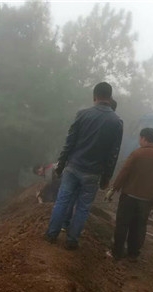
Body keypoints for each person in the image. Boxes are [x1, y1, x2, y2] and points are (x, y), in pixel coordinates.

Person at [44, 82, 123, 250]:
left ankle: (51, 234)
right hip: (93, 174)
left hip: (73, 168)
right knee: (83, 208)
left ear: (94, 96)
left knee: (62, 201)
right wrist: (106, 178)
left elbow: (69, 143)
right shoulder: (117, 122)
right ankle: (72, 241)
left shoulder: (82, 114)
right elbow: (113, 154)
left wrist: (60, 165)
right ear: (110, 97)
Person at [106, 128, 153, 262]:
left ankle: (117, 253)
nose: (139, 140)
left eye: (140, 138)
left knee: (123, 224)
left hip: (129, 196)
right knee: (139, 227)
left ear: (144, 138)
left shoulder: (138, 153)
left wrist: (114, 188)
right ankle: (133, 253)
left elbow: (125, 171)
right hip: (146, 201)